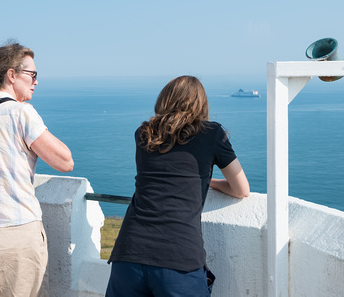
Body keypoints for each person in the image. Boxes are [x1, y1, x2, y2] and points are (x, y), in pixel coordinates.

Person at [105, 75, 250, 297]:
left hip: (129, 253)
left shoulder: (143, 134)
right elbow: (241, 189)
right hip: (178, 258)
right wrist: (206, 181)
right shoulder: (212, 134)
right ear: (200, 104)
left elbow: (161, 174)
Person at [0, 41, 74, 297]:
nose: (36, 82)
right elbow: (65, 162)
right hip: (14, 234)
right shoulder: (22, 114)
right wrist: (33, 118)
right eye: (32, 74)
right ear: (11, 75)